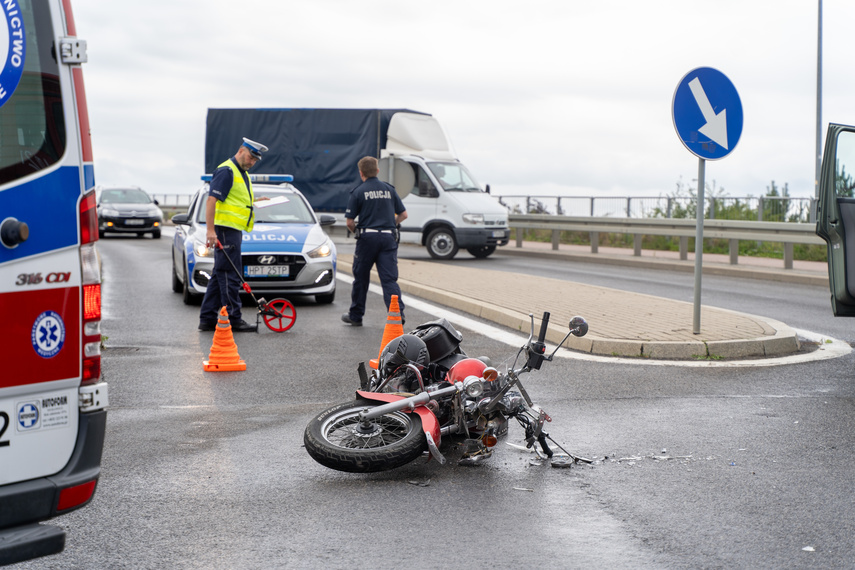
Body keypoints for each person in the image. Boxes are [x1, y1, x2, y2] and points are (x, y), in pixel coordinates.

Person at [198, 137, 268, 333]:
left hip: (231, 230)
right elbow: (211, 200)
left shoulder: (239, 172)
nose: (252, 162)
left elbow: (234, 200)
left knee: (220, 273)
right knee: (230, 274)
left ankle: (207, 317)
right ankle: (234, 318)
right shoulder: (227, 171)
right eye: (250, 158)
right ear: (241, 150)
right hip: (225, 230)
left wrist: (253, 201)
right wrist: (210, 231)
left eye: (255, 160)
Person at [342, 156, 408, 326]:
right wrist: (390, 225)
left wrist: (358, 232)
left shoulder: (358, 191)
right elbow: (404, 214)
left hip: (367, 238)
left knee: (361, 278)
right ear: (377, 171)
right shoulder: (389, 190)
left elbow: (349, 222)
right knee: (389, 280)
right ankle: (397, 314)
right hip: (388, 237)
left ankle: (356, 316)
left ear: (361, 172)